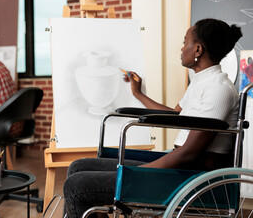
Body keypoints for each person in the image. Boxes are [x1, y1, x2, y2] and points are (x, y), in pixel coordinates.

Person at [63, 18, 243, 218]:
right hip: (178, 168)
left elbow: (190, 154)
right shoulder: (202, 81)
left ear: (198, 50)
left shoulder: (218, 89)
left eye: (185, 42)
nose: (182, 48)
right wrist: (138, 94)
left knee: (76, 187)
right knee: (77, 167)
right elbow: (174, 117)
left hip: (188, 176)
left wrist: (139, 174)